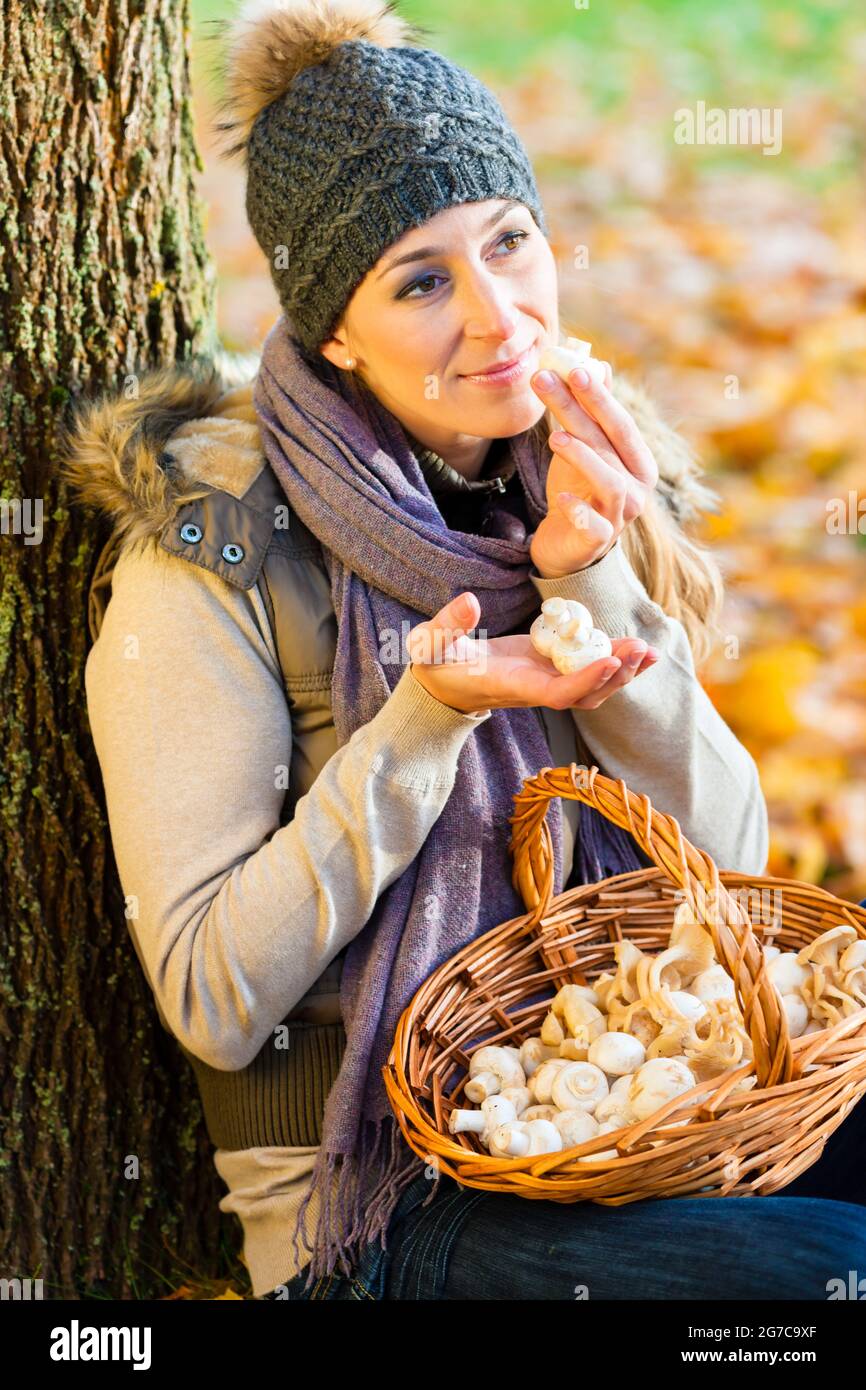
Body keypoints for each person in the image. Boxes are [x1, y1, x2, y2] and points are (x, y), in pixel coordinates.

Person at [61, 0, 866, 1301]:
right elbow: (213, 991)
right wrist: (420, 725)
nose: (498, 317)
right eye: (422, 280)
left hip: (624, 1073)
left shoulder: (564, 473)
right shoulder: (211, 548)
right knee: (839, 1276)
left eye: (510, 244)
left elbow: (724, 864)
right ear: (332, 329)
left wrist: (589, 572)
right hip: (378, 1204)